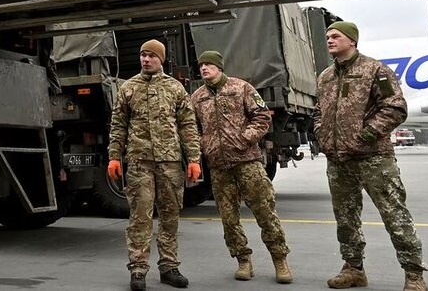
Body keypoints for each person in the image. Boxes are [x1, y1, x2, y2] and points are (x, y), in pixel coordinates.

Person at [314, 21, 428, 291]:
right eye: (328, 36)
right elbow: (319, 111)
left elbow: (395, 108)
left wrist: (366, 135)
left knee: (394, 215)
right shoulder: (325, 76)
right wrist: (321, 134)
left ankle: (414, 275)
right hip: (339, 159)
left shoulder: (374, 70)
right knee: (345, 218)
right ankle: (353, 269)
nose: (329, 40)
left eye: (336, 36)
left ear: (352, 40)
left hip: (373, 157)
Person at [190, 50, 293, 284]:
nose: (204, 68)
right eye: (201, 65)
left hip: (247, 162)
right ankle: (243, 260)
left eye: (208, 64)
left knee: (265, 211)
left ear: (219, 67)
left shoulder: (241, 88)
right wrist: (204, 146)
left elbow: (262, 116)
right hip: (219, 166)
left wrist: (245, 138)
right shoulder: (197, 97)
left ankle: (280, 259)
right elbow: (192, 128)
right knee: (229, 218)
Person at [108, 39, 202, 290]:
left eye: (151, 56)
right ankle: (138, 269)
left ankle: (169, 267)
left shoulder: (175, 88)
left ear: (161, 59)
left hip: (169, 162)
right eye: (143, 55)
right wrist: (114, 156)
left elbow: (188, 125)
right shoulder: (128, 88)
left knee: (170, 215)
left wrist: (194, 159)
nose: (146, 59)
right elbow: (118, 125)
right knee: (140, 217)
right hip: (139, 162)